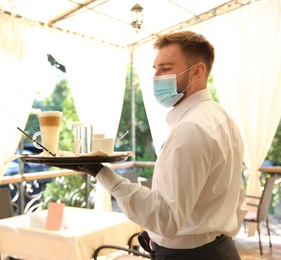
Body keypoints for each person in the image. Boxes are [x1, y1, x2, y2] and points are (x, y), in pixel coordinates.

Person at [55, 31, 247, 259]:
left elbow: (166, 220)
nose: (156, 77)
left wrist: (101, 173)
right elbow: (237, 200)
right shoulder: (223, 119)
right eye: (155, 69)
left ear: (197, 71)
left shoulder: (192, 127)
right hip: (219, 250)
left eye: (165, 69)